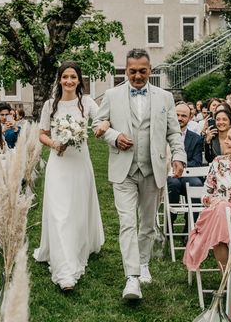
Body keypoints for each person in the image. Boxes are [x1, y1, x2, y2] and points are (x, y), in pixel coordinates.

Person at [94, 49, 186, 300]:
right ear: (126, 70)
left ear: (150, 70)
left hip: (152, 168)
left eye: (142, 71)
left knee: (147, 223)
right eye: (132, 71)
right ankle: (131, 277)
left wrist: (178, 156)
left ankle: (143, 262)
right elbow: (98, 125)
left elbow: (173, 132)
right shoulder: (112, 96)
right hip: (123, 171)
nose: (137, 75)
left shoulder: (165, 97)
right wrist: (114, 137)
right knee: (127, 223)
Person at [35, 61, 105, 291]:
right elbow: (42, 134)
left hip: (80, 163)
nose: (69, 81)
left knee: (75, 209)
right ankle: (65, 270)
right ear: (59, 79)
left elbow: (104, 118)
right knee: (59, 212)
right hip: (59, 163)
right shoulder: (49, 105)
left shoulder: (86, 103)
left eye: (73, 77)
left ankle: (77, 246)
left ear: (79, 80)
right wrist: (55, 143)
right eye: (65, 77)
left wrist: (100, 127)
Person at [183, 124, 231, 276]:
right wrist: (215, 201)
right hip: (217, 216)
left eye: (230, 139)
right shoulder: (219, 163)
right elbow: (205, 195)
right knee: (221, 212)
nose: (225, 141)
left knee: (225, 215)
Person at [167, 102, 204, 227]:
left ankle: (190, 228)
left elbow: (197, 161)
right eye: (176, 115)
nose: (179, 118)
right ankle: (169, 223)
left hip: (188, 175)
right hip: (167, 175)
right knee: (173, 183)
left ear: (190, 118)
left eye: (183, 116)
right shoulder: (162, 135)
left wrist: (181, 167)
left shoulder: (196, 139)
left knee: (197, 184)